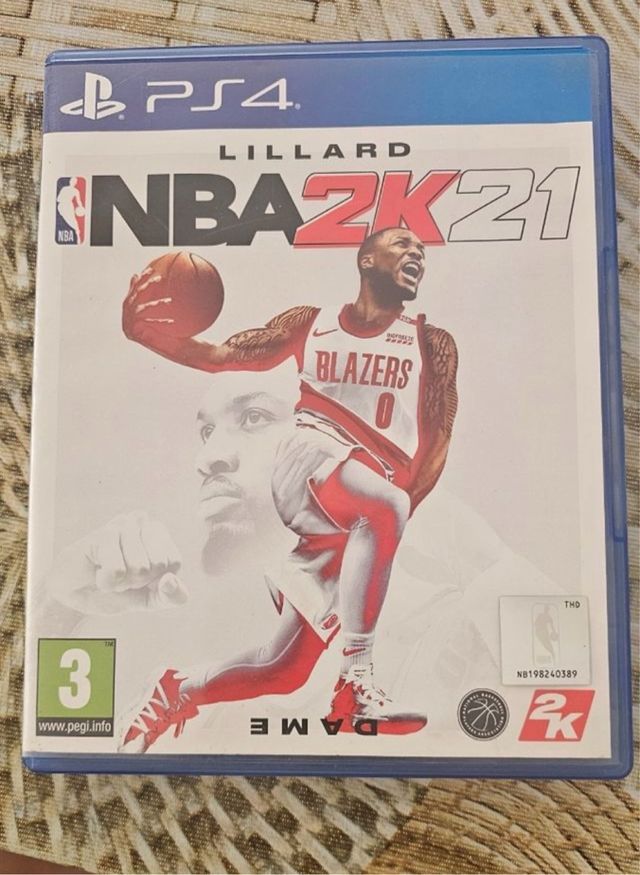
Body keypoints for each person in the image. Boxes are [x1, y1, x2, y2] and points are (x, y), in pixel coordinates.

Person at [119, 227, 459, 751]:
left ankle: (176, 691)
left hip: (359, 507)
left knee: (283, 670)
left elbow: (436, 441)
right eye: (401, 245)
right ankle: (356, 683)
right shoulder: (311, 323)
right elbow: (220, 355)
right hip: (311, 455)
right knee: (385, 505)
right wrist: (147, 335)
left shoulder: (431, 343)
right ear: (367, 260)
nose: (416, 253)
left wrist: (391, 522)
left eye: (421, 250)